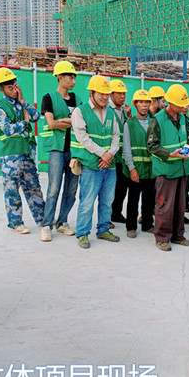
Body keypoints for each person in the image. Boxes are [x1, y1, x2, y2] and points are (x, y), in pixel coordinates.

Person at [0, 67, 44, 234]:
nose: (14, 90)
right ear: (1, 89)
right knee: (12, 191)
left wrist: (23, 101)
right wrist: (24, 123)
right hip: (10, 157)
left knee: (34, 188)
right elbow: (8, 130)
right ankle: (15, 223)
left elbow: (36, 116)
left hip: (27, 154)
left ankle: (42, 219)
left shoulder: (21, 103)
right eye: (10, 88)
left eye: (15, 86)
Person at [71, 75, 121, 249]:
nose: (105, 97)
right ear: (91, 92)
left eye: (107, 94)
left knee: (107, 200)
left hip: (109, 165)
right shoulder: (80, 112)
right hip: (91, 165)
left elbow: (116, 135)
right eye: (101, 93)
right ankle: (83, 233)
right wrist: (103, 154)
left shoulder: (111, 112)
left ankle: (103, 230)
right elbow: (82, 137)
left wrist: (110, 154)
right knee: (87, 201)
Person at [147, 84, 189, 251]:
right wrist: (169, 154)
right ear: (171, 103)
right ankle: (162, 237)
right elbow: (151, 146)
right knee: (165, 206)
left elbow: (185, 138)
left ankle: (178, 235)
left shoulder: (182, 118)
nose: (185, 107)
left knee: (180, 206)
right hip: (166, 170)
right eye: (181, 105)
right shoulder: (158, 120)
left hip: (182, 168)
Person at [38, 61, 82, 242]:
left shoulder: (77, 99)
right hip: (57, 150)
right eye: (70, 77)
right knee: (53, 189)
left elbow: (82, 122)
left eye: (74, 77)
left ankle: (62, 222)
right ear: (60, 77)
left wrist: (63, 121)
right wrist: (70, 121)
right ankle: (47, 225)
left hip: (75, 151)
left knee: (71, 190)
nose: (73, 80)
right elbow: (51, 123)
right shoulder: (48, 98)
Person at [122, 89, 155, 238]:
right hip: (136, 168)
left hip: (151, 169)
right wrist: (131, 168)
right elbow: (126, 148)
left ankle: (147, 224)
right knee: (133, 199)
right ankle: (131, 227)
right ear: (135, 104)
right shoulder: (129, 124)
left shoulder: (154, 123)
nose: (144, 105)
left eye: (147, 102)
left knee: (149, 199)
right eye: (141, 102)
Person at [109, 79, 132, 225]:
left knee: (122, 188)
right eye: (119, 93)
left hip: (122, 156)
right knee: (109, 190)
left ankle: (116, 213)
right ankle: (107, 216)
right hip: (112, 156)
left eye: (124, 93)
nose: (122, 96)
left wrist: (129, 115)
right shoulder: (107, 110)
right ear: (111, 94)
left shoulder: (124, 111)